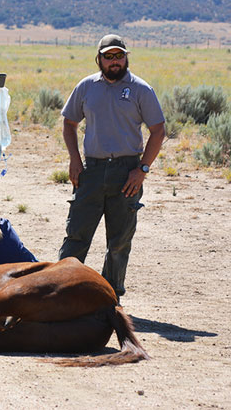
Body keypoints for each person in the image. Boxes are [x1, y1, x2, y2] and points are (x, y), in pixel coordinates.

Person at [58, 34, 165, 301]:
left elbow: (158, 130)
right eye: (109, 56)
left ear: (127, 57)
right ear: (99, 59)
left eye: (119, 56)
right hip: (91, 171)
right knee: (77, 235)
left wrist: (142, 170)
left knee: (119, 241)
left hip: (126, 172)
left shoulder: (141, 89)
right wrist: (74, 159)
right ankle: (60, 292)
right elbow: (69, 123)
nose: (114, 61)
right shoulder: (86, 87)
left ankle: (110, 298)